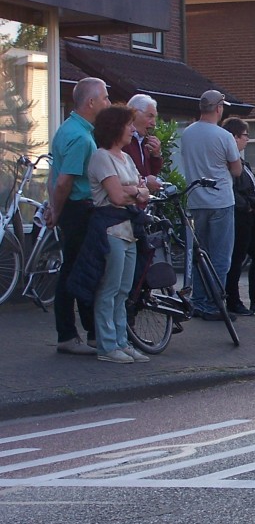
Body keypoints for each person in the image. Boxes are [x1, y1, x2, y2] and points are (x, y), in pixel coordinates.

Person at [78, 105, 152, 363]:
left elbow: (144, 192)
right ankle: (107, 345)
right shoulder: (102, 157)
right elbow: (117, 197)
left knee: (124, 289)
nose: (132, 129)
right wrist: (135, 192)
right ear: (115, 127)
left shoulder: (126, 158)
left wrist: (134, 191)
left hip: (130, 230)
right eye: (128, 125)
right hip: (110, 230)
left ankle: (122, 341)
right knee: (109, 288)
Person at [47, 77, 110, 355]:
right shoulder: (81, 138)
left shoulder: (69, 129)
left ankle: (91, 333)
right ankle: (68, 335)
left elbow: (54, 175)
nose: (108, 102)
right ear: (91, 102)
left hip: (75, 208)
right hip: (78, 209)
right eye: (105, 97)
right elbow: (64, 181)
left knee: (80, 269)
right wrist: (56, 211)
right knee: (75, 271)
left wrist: (54, 207)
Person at [178, 90, 243, 320]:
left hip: (196, 200)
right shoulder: (224, 136)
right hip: (220, 201)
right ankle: (214, 304)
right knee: (220, 256)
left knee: (200, 253)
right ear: (218, 108)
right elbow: (237, 170)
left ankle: (198, 301)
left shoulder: (187, 133)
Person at [223, 117, 255, 317]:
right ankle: (233, 301)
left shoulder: (243, 163)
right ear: (234, 137)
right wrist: (246, 207)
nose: (247, 139)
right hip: (241, 216)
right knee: (237, 258)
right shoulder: (229, 164)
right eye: (245, 135)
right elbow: (231, 190)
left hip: (250, 218)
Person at [123, 94, 163, 179]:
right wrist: (146, 181)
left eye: (155, 118)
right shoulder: (121, 141)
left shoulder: (144, 142)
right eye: (150, 116)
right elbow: (123, 177)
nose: (154, 123)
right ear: (134, 113)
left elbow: (151, 176)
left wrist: (156, 156)